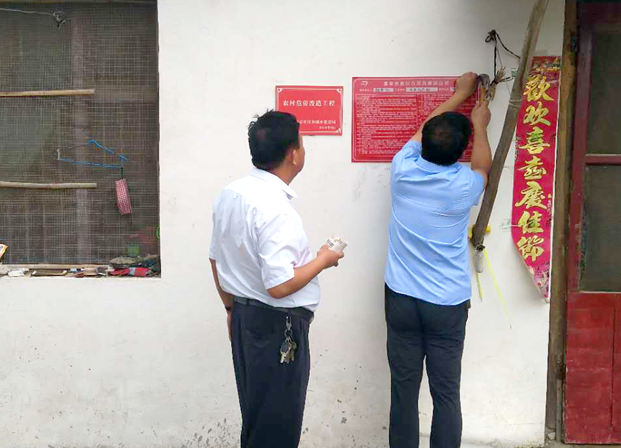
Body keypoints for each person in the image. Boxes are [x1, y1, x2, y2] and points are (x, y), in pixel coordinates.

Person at [209, 110, 344, 448]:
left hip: (245, 317)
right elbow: (280, 285)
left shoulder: (231, 194)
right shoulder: (276, 209)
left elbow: (215, 258)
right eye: (302, 143)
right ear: (293, 154)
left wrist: (230, 309)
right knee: (277, 428)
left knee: (258, 420)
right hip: (277, 326)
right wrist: (323, 259)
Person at [384, 72, 493, 448]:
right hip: (446, 304)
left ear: (424, 144)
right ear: (460, 153)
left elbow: (422, 130)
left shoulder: (402, 169)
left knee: (403, 390)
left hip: (401, 299)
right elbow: (483, 167)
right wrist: (480, 125)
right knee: (446, 393)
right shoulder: (464, 185)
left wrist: (459, 94)